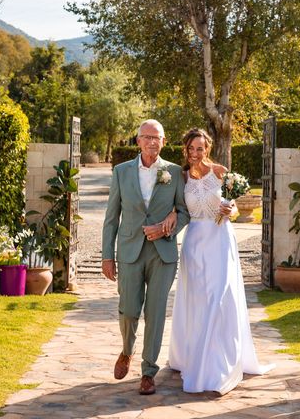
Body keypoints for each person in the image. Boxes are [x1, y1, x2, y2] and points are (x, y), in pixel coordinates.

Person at [167, 129, 272, 394]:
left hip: (220, 239)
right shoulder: (180, 177)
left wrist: (231, 210)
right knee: (198, 298)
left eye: (200, 148)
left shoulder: (221, 171)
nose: (195, 153)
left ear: (208, 148)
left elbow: (234, 205)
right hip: (194, 243)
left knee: (219, 296)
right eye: (191, 148)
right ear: (185, 149)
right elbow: (178, 207)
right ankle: (192, 354)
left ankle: (215, 363)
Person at [102, 119, 189, 395]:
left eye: (158, 137)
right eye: (147, 137)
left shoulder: (175, 173)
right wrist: (107, 255)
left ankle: (149, 371)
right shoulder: (121, 172)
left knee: (156, 313)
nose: (152, 141)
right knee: (128, 310)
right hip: (129, 251)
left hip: (163, 254)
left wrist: (169, 223)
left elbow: (185, 211)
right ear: (138, 141)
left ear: (164, 141)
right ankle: (127, 349)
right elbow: (111, 218)